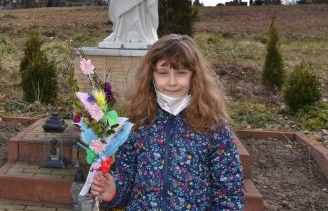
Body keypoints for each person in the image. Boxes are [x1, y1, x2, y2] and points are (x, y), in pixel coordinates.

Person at [90, 34, 244, 209]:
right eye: (163, 73)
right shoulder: (137, 124)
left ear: (194, 76)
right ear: (151, 76)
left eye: (181, 73)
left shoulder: (213, 127)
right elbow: (126, 176)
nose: (172, 82)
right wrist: (114, 190)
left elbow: (229, 193)